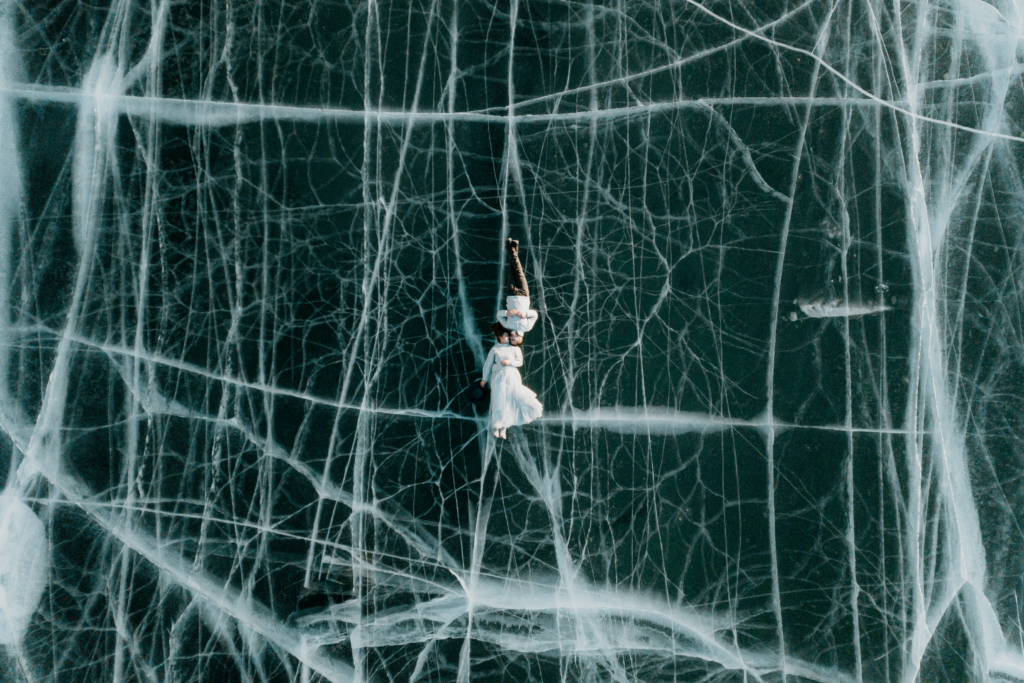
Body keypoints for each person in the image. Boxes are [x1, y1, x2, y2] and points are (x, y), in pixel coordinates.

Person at [479, 322, 543, 439]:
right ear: (499, 336)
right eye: (505, 336)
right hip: (498, 376)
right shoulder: (495, 349)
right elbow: (488, 365)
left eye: (508, 336)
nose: (508, 338)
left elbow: (520, 362)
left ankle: (504, 428)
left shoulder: (515, 348)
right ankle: (496, 426)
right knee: (498, 401)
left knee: (508, 401)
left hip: (511, 376)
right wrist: (484, 379)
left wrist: (510, 362)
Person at [497, 239, 538, 340]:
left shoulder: (507, 326)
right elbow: (535, 315)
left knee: (512, 271)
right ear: (520, 338)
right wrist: (525, 314)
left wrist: (507, 313)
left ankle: (514, 248)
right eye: (514, 339)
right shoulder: (527, 328)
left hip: (511, 295)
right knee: (518, 271)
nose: (512, 338)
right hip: (524, 295)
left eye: (512, 340)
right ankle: (512, 248)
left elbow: (499, 315)